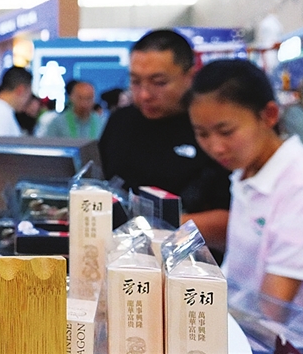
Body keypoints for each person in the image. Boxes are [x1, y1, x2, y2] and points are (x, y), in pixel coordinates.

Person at [186, 58, 303, 319]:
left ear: (268, 115)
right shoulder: (245, 172)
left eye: (226, 131)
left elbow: (273, 310)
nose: (216, 147)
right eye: (202, 133)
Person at [98, 29, 231, 253]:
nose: (144, 94)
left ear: (190, 76)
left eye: (158, 82)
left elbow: (234, 220)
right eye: (135, 82)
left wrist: (154, 226)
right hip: (121, 255)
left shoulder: (210, 127)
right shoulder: (120, 121)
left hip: (193, 260)